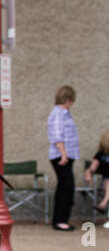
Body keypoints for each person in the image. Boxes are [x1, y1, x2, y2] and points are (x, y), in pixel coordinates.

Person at [47, 86, 80, 231]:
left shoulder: (63, 114)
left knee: (64, 187)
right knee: (67, 188)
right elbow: (57, 135)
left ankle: (60, 220)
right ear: (68, 100)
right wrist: (64, 154)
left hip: (65, 155)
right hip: (62, 156)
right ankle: (60, 221)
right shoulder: (59, 114)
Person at [84, 127, 109, 229]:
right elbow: (91, 169)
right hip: (106, 181)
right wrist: (88, 175)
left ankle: (103, 203)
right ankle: (104, 203)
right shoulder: (100, 155)